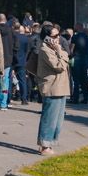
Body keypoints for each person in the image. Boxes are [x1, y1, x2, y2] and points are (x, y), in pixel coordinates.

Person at [35, 24, 70, 154]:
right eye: (55, 36)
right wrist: (61, 52)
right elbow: (60, 66)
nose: (58, 38)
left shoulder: (56, 48)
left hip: (61, 87)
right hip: (52, 87)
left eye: (58, 34)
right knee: (49, 117)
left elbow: (67, 57)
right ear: (47, 38)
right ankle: (45, 144)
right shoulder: (45, 49)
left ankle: (51, 143)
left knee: (58, 120)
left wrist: (60, 52)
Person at [69, 26, 88, 104]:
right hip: (84, 60)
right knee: (84, 80)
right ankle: (85, 98)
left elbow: (71, 49)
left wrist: (71, 56)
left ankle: (75, 98)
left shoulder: (75, 37)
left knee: (76, 80)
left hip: (76, 59)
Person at [0, 14, 14, 110]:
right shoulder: (11, 30)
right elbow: (16, 46)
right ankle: (3, 104)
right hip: (7, 59)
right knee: (4, 82)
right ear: (5, 20)